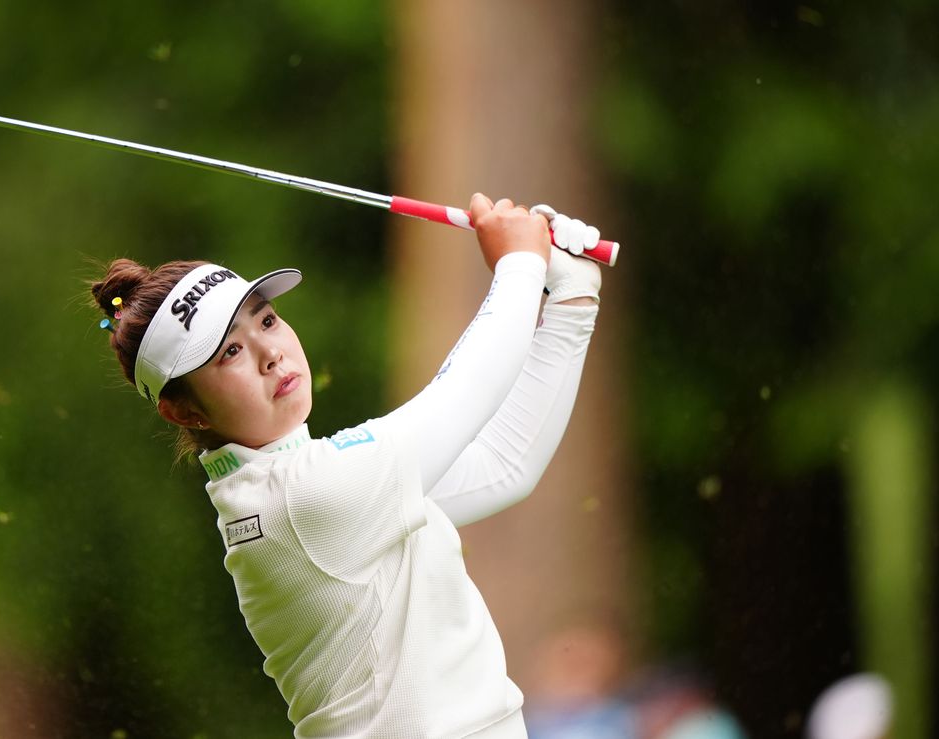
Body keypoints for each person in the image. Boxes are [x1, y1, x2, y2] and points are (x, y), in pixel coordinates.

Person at [90, 194, 603, 737]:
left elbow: (503, 465)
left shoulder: (294, 487)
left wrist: (571, 299)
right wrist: (519, 265)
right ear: (184, 410)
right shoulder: (308, 495)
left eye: (265, 320)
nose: (270, 353)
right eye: (230, 353)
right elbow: (466, 391)